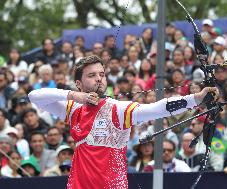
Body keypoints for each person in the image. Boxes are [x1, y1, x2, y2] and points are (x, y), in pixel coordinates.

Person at [28, 55, 217, 189]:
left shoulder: (116, 109)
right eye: (91, 75)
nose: (99, 79)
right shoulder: (73, 109)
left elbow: (156, 108)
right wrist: (74, 96)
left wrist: (195, 99)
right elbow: (34, 96)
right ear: (79, 83)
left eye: (101, 74)